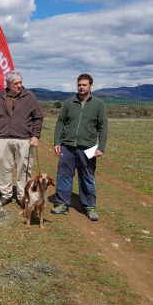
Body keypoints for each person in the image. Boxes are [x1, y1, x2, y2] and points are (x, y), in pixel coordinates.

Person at [51, 73, 108, 221]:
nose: (81, 87)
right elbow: (60, 123)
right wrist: (57, 142)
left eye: (84, 85)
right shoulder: (69, 103)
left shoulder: (98, 104)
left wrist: (100, 147)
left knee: (87, 176)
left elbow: (103, 127)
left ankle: (89, 206)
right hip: (67, 146)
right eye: (79, 85)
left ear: (90, 86)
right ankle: (62, 204)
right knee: (64, 175)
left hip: (88, 147)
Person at [0, 71, 44, 206]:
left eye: (20, 82)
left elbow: (38, 116)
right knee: (2, 168)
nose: (20, 85)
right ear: (8, 85)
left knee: (24, 169)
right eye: (16, 83)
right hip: (2, 138)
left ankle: (23, 196)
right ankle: (5, 194)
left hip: (24, 138)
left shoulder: (29, 96)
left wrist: (35, 135)